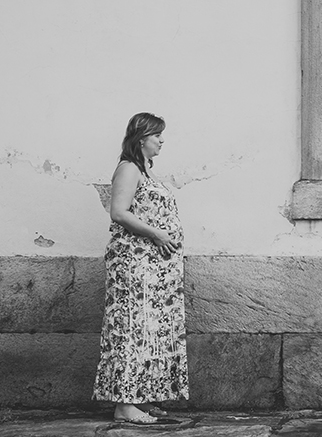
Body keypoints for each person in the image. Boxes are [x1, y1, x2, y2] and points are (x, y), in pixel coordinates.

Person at [93, 112, 189, 424]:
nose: (162, 141)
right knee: (131, 330)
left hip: (152, 269)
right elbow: (118, 213)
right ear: (141, 138)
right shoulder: (128, 168)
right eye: (157, 135)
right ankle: (124, 406)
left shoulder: (145, 171)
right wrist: (157, 234)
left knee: (148, 331)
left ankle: (140, 398)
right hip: (134, 266)